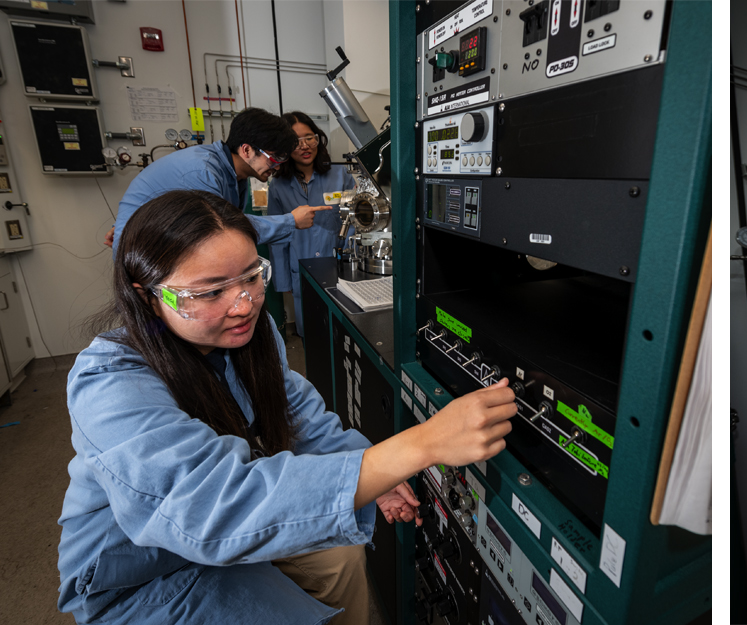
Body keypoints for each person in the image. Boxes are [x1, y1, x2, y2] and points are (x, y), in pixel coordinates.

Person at [59, 190, 516, 624]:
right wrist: (420, 445)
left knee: (338, 556)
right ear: (147, 296)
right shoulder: (110, 382)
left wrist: (368, 472)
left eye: (251, 277)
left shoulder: (249, 338)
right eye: (211, 292)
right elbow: (210, 507)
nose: (244, 305)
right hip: (143, 569)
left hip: (219, 530)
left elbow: (301, 418)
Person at [107, 108, 332, 250]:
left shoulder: (235, 176)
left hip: (159, 240)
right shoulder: (202, 171)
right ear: (246, 150)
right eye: (276, 157)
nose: (278, 165)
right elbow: (223, 228)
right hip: (145, 254)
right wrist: (290, 221)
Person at [268, 111, 355, 337]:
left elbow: (352, 221)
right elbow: (276, 236)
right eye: (296, 141)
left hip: (337, 265)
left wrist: (351, 261)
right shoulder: (278, 186)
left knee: (340, 330)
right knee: (310, 333)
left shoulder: (340, 175)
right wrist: (282, 278)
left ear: (318, 139)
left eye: (310, 137)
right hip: (301, 269)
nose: (305, 146)